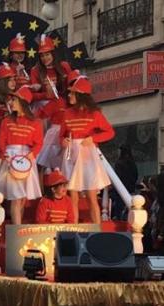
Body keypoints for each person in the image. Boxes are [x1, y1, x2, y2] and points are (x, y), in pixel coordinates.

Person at [60, 77, 115, 223]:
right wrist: (63, 141)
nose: (69, 96)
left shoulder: (95, 114)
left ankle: (97, 230)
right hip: (71, 155)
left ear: (80, 95)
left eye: (72, 93)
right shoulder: (66, 113)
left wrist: (93, 139)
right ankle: (75, 228)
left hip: (87, 154)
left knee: (91, 195)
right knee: (73, 195)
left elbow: (109, 132)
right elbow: (62, 135)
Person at [0, 85, 43, 224]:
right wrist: (4, 154)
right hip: (10, 158)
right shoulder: (6, 121)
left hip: (26, 159)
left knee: (22, 198)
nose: (11, 102)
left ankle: (17, 225)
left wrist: (32, 155)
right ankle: (17, 228)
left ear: (22, 102)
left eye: (14, 100)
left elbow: (39, 143)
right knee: (16, 196)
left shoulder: (35, 122)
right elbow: (1, 140)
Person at [30, 36, 73, 171]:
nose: (45, 58)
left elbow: (72, 85)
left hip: (61, 107)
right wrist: (45, 95)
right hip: (43, 108)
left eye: (47, 54)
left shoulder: (64, 67)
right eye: (42, 56)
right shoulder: (35, 70)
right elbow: (31, 95)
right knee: (44, 143)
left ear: (53, 53)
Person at [113, 145, 138, 220]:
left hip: (120, 190)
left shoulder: (119, 163)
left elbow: (117, 177)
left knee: (120, 209)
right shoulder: (132, 163)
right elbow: (135, 175)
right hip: (130, 189)